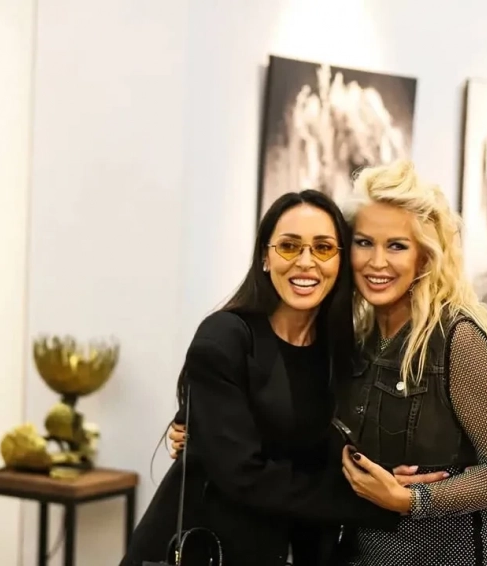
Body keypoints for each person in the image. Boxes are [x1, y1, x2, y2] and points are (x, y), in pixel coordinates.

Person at [171, 161, 487, 565]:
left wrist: (413, 499)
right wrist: (200, 420)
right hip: (358, 552)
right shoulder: (354, 338)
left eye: (396, 246)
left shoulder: (456, 339)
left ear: (424, 257)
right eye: (364, 242)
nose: (377, 262)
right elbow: (289, 413)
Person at [121, 190, 442, 566]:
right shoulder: (225, 338)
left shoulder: (341, 351)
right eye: (289, 246)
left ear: (340, 260)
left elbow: (333, 449)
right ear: (265, 256)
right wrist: (373, 501)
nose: (306, 262)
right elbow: (243, 475)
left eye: (323, 248)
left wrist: (388, 479)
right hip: (206, 549)